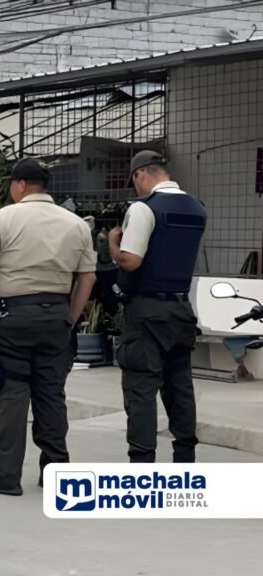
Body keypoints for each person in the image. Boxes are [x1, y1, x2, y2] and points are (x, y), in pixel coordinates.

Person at [0, 158, 96, 496]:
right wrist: (70, 318)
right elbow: (88, 277)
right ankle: (55, 471)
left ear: (20, 185)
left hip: (14, 319)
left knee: (14, 391)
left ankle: (6, 475)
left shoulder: (5, 218)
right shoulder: (76, 224)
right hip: (56, 318)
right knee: (51, 393)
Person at [109, 151, 206, 464]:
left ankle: (142, 465)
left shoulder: (143, 208)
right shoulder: (197, 207)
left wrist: (113, 244)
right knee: (180, 386)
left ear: (141, 174)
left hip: (147, 311)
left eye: (134, 181)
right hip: (181, 309)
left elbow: (131, 261)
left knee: (141, 387)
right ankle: (185, 459)